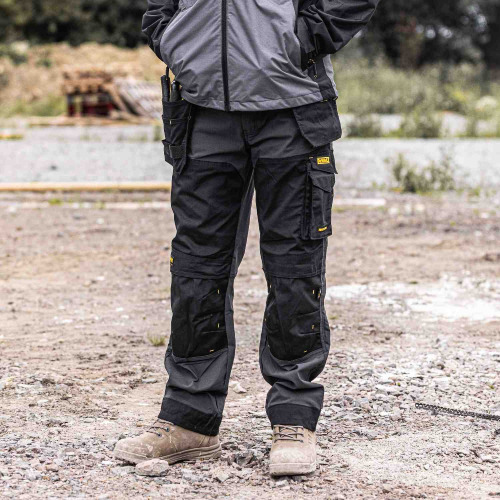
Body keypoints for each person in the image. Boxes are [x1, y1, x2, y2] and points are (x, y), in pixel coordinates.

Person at [115, 0, 380, 477]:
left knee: (294, 268)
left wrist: (301, 38)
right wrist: (170, 33)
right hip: (201, 109)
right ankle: (190, 420)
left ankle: (294, 418)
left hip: (293, 107)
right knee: (196, 269)